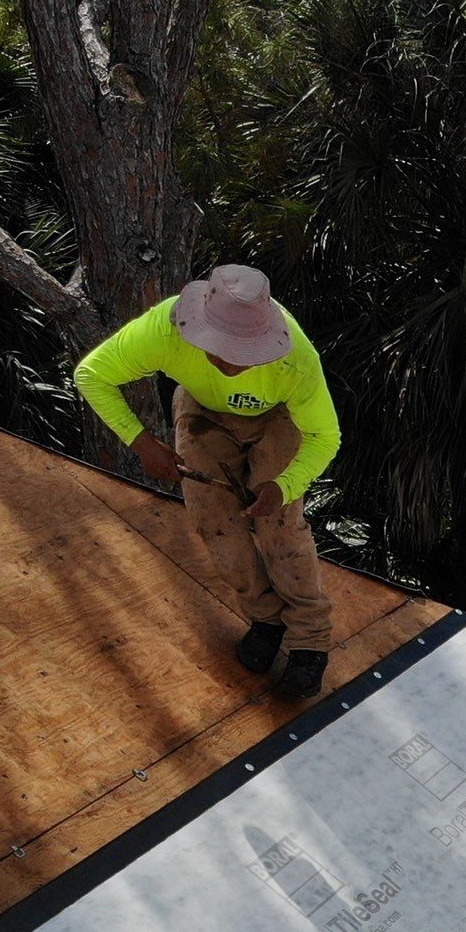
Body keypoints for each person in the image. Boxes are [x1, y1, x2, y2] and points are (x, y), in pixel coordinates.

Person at [72, 263, 344, 700]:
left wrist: (285, 485)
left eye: (245, 351)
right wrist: (142, 443)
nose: (231, 362)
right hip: (203, 411)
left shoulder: (296, 359)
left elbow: (325, 436)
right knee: (215, 523)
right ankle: (266, 618)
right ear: (197, 328)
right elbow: (91, 374)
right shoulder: (164, 329)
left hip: (278, 417)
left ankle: (310, 640)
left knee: (280, 525)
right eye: (221, 347)